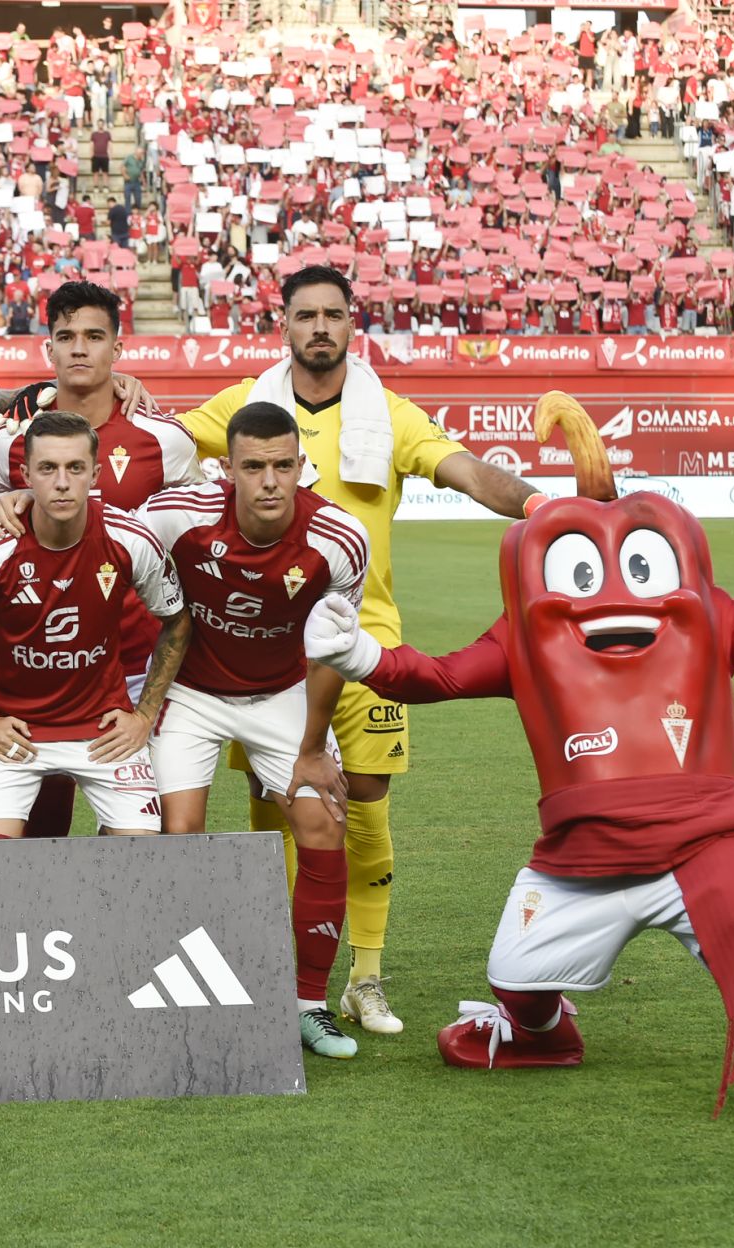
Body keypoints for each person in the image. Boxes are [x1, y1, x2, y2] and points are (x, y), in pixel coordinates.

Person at [304, 404, 734, 1128]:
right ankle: (540, 1033)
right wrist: (358, 655)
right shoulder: (527, 638)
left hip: (704, 840)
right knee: (514, 971)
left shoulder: (709, 617)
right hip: (583, 856)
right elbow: (440, 676)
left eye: (639, 565)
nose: (611, 590)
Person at [181, 265, 541, 1037]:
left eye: (333, 315)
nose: (319, 327)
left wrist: (541, 504)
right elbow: (164, 444)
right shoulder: (248, 405)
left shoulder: (393, 414)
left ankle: (364, 978)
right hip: (267, 651)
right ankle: (281, 969)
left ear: (353, 325)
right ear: (284, 326)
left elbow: (470, 472)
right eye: (305, 315)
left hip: (368, 649)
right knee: (278, 814)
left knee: (367, 810)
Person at [136, 403, 371, 1058]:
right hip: (194, 693)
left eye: (283, 466)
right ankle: (179, 990)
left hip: (284, 695)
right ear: (228, 470)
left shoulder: (339, 538)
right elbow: (106, 541)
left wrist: (313, 749)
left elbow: (332, 652)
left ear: (302, 467)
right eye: (255, 467)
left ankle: (308, 1003)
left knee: (324, 823)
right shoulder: (177, 516)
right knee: (178, 831)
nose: (270, 482)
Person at [0, 280, 199, 837]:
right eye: (65, 336)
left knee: (153, 836)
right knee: (44, 831)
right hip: (39, 672)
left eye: (95, 336)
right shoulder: (9, 444)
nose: (79, 348)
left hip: (136, 669)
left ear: (118, 347)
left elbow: (196, 524)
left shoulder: (163, 438)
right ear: (49, 349)